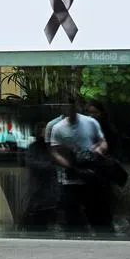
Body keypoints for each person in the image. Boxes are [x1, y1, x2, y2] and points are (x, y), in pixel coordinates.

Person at [49, 98, 113, 232]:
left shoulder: (90, 122)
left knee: (96, 215)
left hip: (91, 177)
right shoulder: (57, 127)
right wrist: (67, 164)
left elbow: (103, 142)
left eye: (73, 107)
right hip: (70, 179)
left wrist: (98, 150)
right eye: (67, 107)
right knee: (72, 217)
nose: (70, 110)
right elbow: (54, 152)